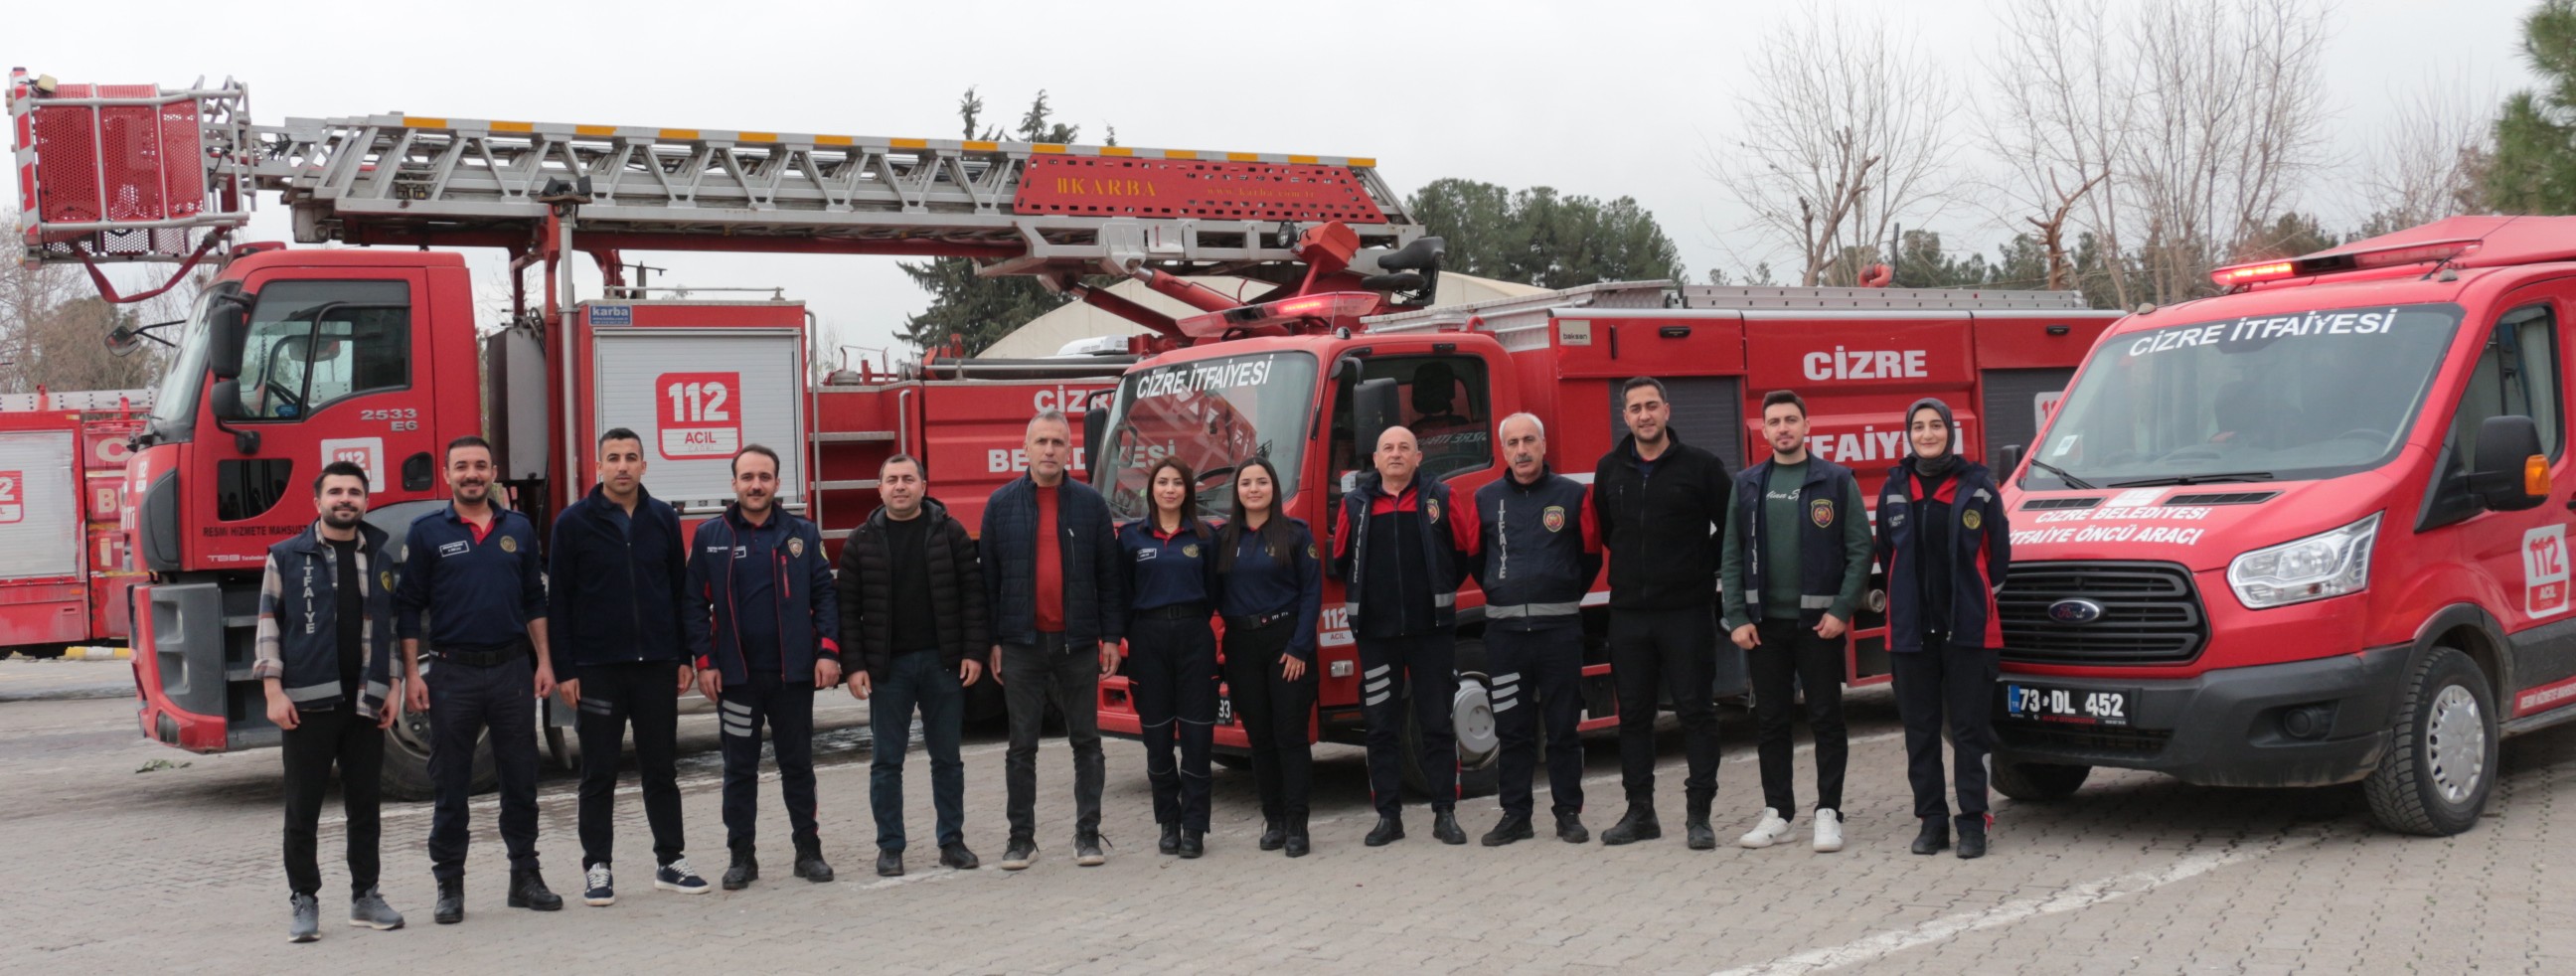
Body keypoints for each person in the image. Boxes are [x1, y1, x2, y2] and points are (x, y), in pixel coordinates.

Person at [398, 435, 560, 922]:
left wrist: (545, 662)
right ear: (447, 475)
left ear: (493, 473)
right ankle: (450, 886)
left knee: (521, 780)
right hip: (452, 673)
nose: (472, 474)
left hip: (512, 671)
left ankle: (525, 878)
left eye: (481, 466)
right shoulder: (426, 531)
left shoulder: (520, 529)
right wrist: (411, 675)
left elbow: (534, 598)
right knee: (450, 783)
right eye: (462, 467)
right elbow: (408, 607)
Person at [548, 427, 708, 906]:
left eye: (631, 457)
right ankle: (597, 866)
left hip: (656, 666)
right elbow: (560, 602)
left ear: (644, 466)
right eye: (613, 458)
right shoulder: (572, 523)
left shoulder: (661, 518)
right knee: (598, 773)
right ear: (598, 467)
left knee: (661, 768)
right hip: (597, 669)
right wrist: (566, 670)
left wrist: (682, 657)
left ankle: (670, 860)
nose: (622, 465)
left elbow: (680, 592)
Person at [257, 460, 403, 942]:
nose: (346, 499)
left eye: (354, 492)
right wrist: (273, 690)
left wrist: (394, 686)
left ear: (365, 500)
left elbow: (392, 626)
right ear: (316, 501)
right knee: (303, 809)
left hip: (366, 702)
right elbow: (268, 627)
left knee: (366, 806)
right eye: (336, 491)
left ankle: (366, 896)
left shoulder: (382, 551)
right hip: (307, 703)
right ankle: (304, 899)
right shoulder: (286, 555)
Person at [686, 444, 842, 889]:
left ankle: (808, 853)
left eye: (765, 477)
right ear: (733, 482)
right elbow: (693, 604)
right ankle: (742, 858)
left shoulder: (802, 535)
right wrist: (704, 662)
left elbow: (825, 596)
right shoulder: (710, 536)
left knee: (798, 766)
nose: (756, 485)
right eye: (748, 477)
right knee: (739, 770)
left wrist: (828, 652)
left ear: (777, 482)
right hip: (736, 680)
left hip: (793, 676)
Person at [1721, 391, 1871, 854]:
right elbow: (1730, 554)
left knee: (1827, 719)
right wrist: (1736, 617)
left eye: (1791, 419)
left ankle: (1828, 812)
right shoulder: (1747, 484)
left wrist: (1841, 610)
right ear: (1762, 431)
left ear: (1807, 426)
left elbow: (1860, 549)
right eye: (1774, 421)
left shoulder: (1835, 479)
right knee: (1771, 722)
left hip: (1818, 627)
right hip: (1765, 627)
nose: (1783, 428)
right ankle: (1778, 813)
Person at [1591, 377, 1733, 849]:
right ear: (1624, 416)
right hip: (1629, 613)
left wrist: (1695, 566)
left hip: (1686, 611)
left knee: (1695, 712)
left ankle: (1699, 816)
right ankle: (1640, 814)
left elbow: (1730, 528)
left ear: (1667, 411)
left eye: (1652, 405)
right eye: (1635, 408)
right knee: (1633, 716)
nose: (1644, 415)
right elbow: (1611, 531)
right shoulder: (1609, 469)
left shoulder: (1702, 467)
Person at [982, 410, 1126, 870]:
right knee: (1021, 746)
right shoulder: (1000, 505)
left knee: (1086, 741)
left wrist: (1111, 637)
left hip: (1078, 643)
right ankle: (1020, 839)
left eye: (1058, 443)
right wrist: (993, 641)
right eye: (1041, 441)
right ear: (1025, 448)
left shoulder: (1090, 505)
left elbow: (1109, 576)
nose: (1049, 450)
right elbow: (989, 582)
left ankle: (1088, 836)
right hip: (1022, 644)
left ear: (1070, 451)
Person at [837, 454, 988, 878]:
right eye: (891, 480)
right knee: (886, 762)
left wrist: (973, 652)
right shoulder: (861, 540)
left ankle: (952, 842)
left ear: (924, 485)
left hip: (943, 665)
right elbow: (846, 609)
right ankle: (890, 847)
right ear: (879, 488)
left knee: (948, 759)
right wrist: (854, 665)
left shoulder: (951, 533)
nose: (899, 486)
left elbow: (973, 597)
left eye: (908, 479)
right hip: (888, 671)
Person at [1333, 425, 1479, 847]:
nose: (1396, 455)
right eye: (1387, 449)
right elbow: (1343, 560)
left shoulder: (1441, 498)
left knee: (1436, 722)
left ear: (1418, 458)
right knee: (1380, 727)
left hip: (1431, 633)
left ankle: (1445, 814)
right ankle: (1388, 818)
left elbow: (1463, 553)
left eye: (1404, 448)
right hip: (1377, 637)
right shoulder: (1355, 505)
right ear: (1375, 460)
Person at [1878, 398, 2012, 860]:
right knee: (1920, 733)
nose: (1928, 434)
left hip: (1969, 633)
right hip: (1912, 634)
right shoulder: (1894, 488)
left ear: (1950, 432)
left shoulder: (1978, 487)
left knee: (1971, 733)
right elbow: (1886, 554)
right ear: (1908, 434)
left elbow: (1999, 560)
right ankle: (1931, 821)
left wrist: (1970, 602)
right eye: (1919, 427)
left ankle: (1973, 821)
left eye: (1937, 426)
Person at [1471, 413, 1600, 847]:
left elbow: (1589, 558)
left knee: (1564, 728)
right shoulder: (1485, 499)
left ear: (1544, 445)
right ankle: (1515, 815)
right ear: (1503, 450)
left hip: (1559, 633)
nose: (1522, 450)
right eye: (1513, 443)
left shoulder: (1572, 495)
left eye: (1529, 440)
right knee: (1512, 730)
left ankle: (1568, 814)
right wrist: (1500, 589)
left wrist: (1558, 591)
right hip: (1505, 637)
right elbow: (1475, 558)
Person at [1215, 458, 1325, 857]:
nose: (1254, 489)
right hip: (1242, 647)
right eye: (1246, 483)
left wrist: (1299, 647)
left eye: (1262, 481)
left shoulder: (1295, 534)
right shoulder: (1224, 539)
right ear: (1237, 491)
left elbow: (1312, 593)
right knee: (1260, 739)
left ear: (1273, 489)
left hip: (1286, 644)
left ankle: (1297, 824)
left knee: (1290, 736)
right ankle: (1274, 820)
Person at [1115, 458, 1222, 858]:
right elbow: (1121, 595)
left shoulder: (1206, 537)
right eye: (1163, 482)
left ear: (1188, 490)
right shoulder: (1131, 538)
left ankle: (1194, 827)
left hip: (1194, 637)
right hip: (1148, 640)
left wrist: (1190, 622)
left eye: (1178, 482)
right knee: (1157, 741)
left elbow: (1213, 590)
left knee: (1197, 739)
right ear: (1152, 489)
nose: (1170, 489)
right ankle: (1168, 822)